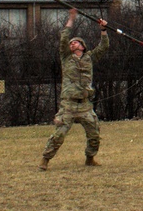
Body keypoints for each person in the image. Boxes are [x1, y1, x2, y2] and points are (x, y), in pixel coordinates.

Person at [39, 9, 109, 171]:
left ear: (83, 46)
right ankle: (45, 159)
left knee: (94, 134)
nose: (72, 44)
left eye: (75, 42)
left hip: (85, 105)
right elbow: (64, 38)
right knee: (59, 135)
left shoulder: (89, 58)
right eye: (71, 43)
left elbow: (104, 46)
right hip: (68, 106)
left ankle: (90, 158)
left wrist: (103, 30)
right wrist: (71, 18)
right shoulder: (66, 58)